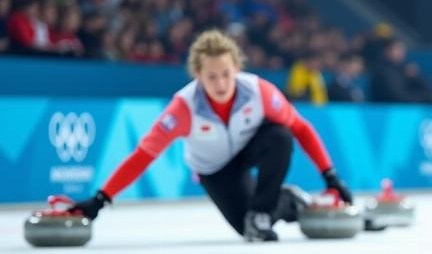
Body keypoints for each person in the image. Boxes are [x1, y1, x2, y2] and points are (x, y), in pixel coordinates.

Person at [69, 30, 353, 242]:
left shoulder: (260, 92)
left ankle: (262, 213)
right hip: (215, 170)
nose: (220, 83)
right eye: (212, 76)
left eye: (226, 74)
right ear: (197, 74)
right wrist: (101, 199)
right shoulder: (184, 107)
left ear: (237, 69)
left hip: (251, 146)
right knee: (244, 228)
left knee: (280, 136)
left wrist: (330, 175)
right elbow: (143, 155)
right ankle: (289, 201)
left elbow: (301, 128)